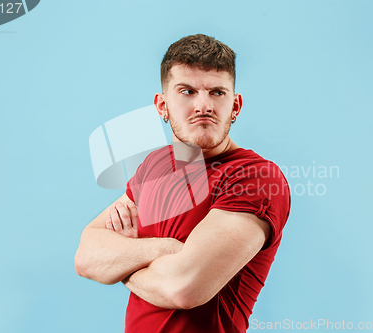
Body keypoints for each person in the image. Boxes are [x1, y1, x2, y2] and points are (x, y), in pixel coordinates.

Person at [75, 34, 291, 333]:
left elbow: (183, 289)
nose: (204, 105)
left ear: (235, 106)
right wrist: (164, 249)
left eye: (217, 93)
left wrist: (123, 264)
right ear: (162, 106)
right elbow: (87, 257)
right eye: (187, 91)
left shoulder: (255, 177)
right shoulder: (155, 167)